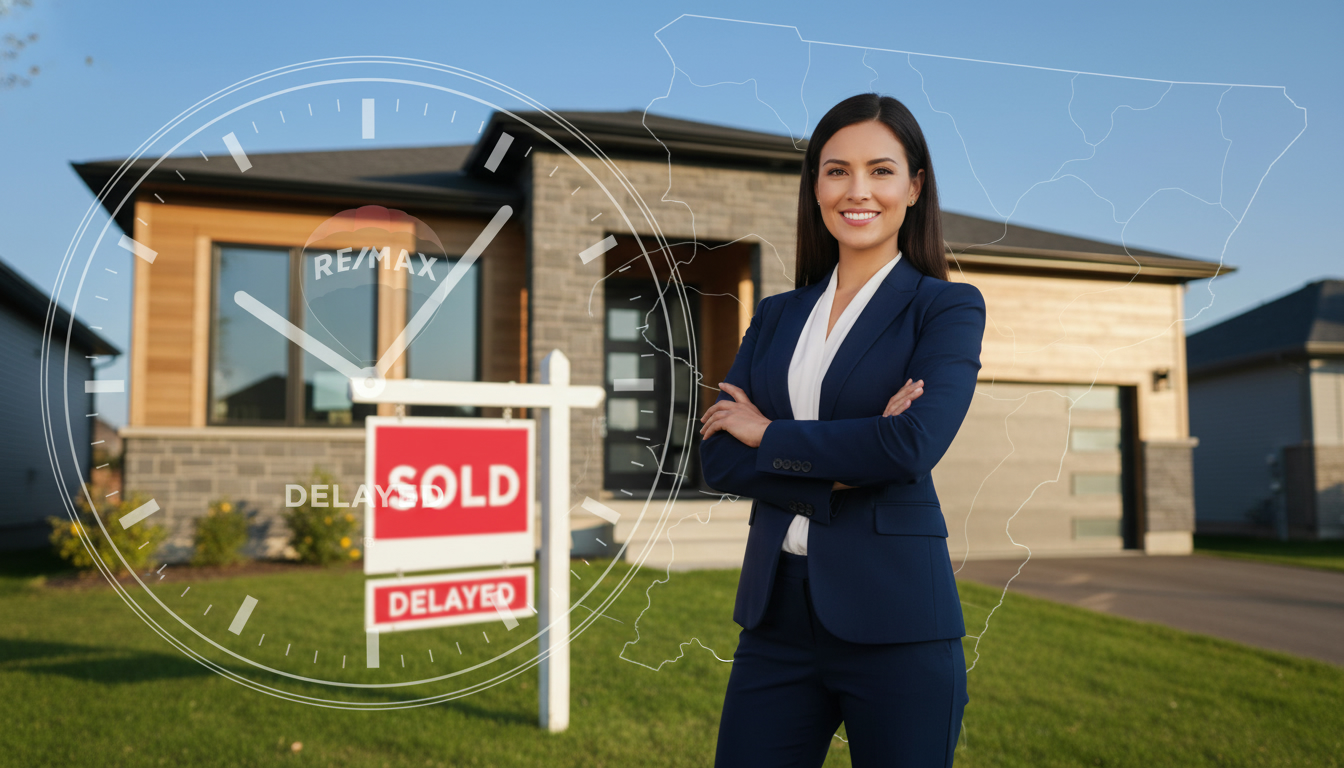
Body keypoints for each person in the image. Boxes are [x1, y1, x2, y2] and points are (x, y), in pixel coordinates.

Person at [697, 92, 986, 767]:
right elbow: (719, 460)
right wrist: (857, 457)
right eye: (836, 171)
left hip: (897, 619)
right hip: (775, 620)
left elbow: (911, 444)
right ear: (816, 186)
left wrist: (766, 434)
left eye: (881, 171)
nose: (858, 191)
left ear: (914, 186)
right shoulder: (775, 315)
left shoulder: (944, 308)